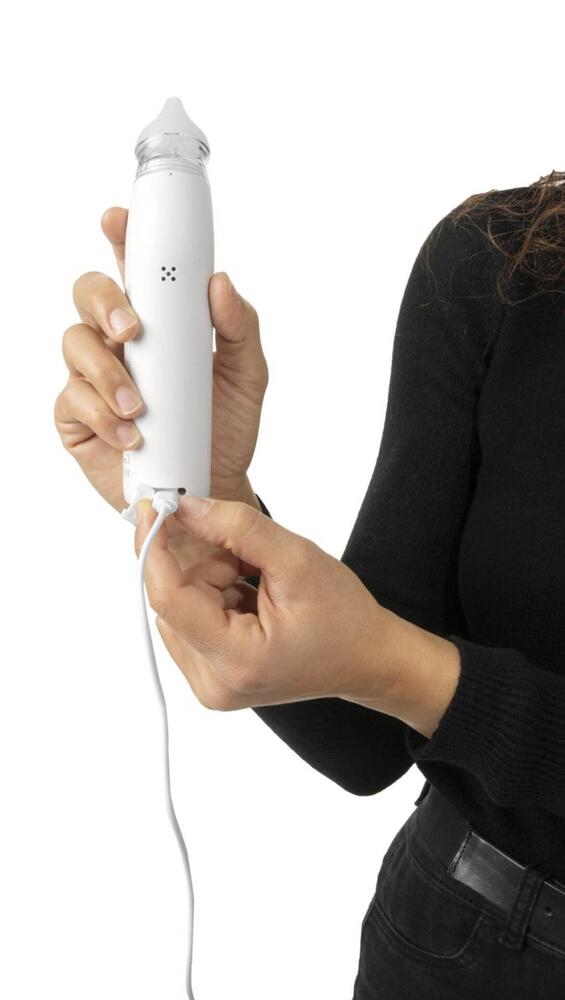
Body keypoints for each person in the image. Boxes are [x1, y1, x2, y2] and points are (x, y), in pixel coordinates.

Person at [53, 173, 565, 998]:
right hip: (452, 937)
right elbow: (365, 740)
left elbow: (393, 667)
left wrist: (405, 671)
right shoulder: (505, 257)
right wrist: (217, 515)